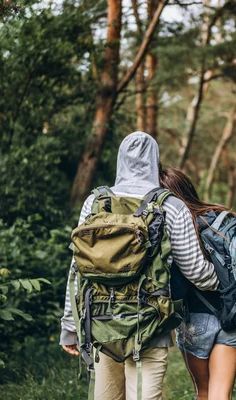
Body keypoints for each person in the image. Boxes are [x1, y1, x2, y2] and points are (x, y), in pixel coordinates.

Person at [60, 131, 219, 400]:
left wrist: (69, 326)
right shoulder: (171, 205)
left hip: (100, 321)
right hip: (150, 324)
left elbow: (77, 270)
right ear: (155, 161)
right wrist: (225, 281)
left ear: (119, 160)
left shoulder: (96, 202)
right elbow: (196, 271)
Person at [159, 165, 236, 400]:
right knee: (221, 393)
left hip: (195, 318)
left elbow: (176, 285)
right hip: (233, 312)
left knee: (204, 392)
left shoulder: (172, 228)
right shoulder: (220, 217)